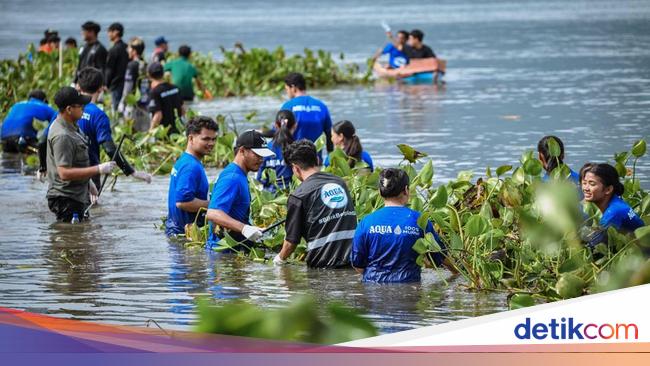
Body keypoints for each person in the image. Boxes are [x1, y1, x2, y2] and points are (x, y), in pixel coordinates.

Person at [351, 168, 450, 282]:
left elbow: (357, 264)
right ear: (406, 190)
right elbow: (439, 256)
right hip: (409, 288)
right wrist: (457, 272)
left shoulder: (366, 222)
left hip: (373, 288)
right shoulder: (419, 219)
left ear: (380, 192)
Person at [273, 140, 357, 268]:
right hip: (353, 261)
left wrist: (279, 259)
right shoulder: (339, 182)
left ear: (295, 168)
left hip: (322, 265)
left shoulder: (298, 195)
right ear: (317, 159)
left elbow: (291, 242)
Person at [45, 86, 117, 222]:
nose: (83, 108)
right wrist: (98, 169)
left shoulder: (72, 126)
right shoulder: (62, 136)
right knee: (69, 239)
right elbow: (64, 173)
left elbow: (74, 162)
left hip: (76, 196)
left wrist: (89, 182)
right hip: (66, 200)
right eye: (80, 105)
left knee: (81, 238)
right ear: (69, 109)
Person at [74, 67, 151, 187]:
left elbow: (44, 139)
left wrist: (43, 166)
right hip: (90, 171)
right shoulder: (98, 115)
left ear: (78, 86)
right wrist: (132, 171)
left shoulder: (65, 110)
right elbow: (109, 148)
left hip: (65, 171)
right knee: (92, 205)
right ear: (101, 88)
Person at [206, 130, 275, 249]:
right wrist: (244, 228)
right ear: (242, 151)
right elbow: (213, 213)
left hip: (233, 251)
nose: (261, 160)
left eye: (263, 156)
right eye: (257, 155)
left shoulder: (239, 174)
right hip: (223, 254)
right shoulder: (232, 178)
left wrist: (252, 228)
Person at [166, 116, 218, 237]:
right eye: (206, 139)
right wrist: (214, 204)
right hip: (183, 235)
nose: (211, 143)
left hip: (176, 231)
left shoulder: (184, 160)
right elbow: (183, 202)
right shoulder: (191, 166)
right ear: (191, 138)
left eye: (214, 139)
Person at [581, 163, 644, 237]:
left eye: (592, 184)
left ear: (608, 189)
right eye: (584, 183)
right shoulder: (616, 202)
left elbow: (596, 243)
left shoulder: (614, 212)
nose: (586, 188)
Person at [281, 72, 334, 160]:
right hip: (316, 161)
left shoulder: (288, 106)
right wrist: (330, 158)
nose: (287, 93)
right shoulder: (321, 106)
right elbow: (329, 134)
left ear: (293, 88)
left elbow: (279, 133)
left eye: (287, 90)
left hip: (295, 161)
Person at [256, 110, 296, 192]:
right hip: (292, 194)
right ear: (295, 126)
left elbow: (260, 179)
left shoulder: (265, 149)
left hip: (270, 197)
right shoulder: (298, 148)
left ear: (275, 126)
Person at [119, 37, 151, 130]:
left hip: (132, 105)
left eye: (129, 48)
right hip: (144, 104)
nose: (127, 50)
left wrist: (122, 102)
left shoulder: (131, 65)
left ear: (134, 51)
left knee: (131, 133)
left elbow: (128, 86)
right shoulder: (146, 64)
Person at [147, 62, 184, 133]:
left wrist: (149, 133)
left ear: (149, 76)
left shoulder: (154, 92)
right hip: (178, 130)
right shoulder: (175, 88)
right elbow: (182, 110)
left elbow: (158, 115)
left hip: (165, 133)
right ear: (163, 73)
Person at [105, 23, 129, 111]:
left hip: (115, 84)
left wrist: (106, 83)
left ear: (116, 32)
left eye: (110, 31)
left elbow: (109, 69)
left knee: (115, 109)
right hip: (126, 83)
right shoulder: (127, 47)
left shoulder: (113, 50)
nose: (108, 34)